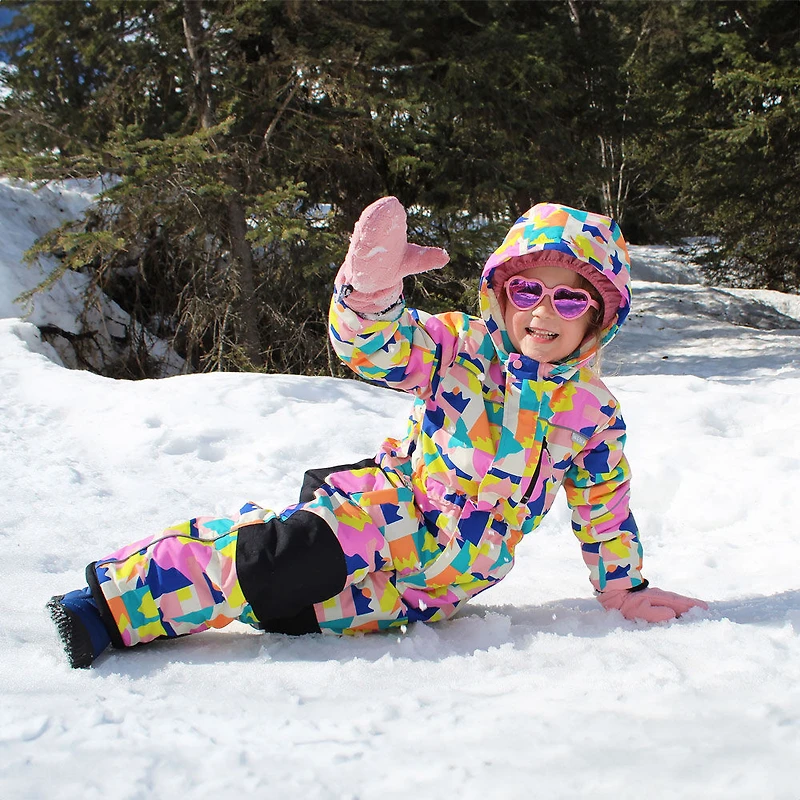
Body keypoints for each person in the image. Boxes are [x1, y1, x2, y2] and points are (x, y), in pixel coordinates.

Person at [47, 198, 707, 669]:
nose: (543, 312)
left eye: (570, 300)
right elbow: (379, 348)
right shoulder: (461, 348)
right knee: (272, 562)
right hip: (381, 515)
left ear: (600, 319)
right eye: (530, 289)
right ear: (503, 295)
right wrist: (369, 297)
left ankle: (171, 607)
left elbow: (604, 508)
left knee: (282, 608)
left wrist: (622, 585)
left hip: (433, 586)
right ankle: (108, 603)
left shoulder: (591, 412)